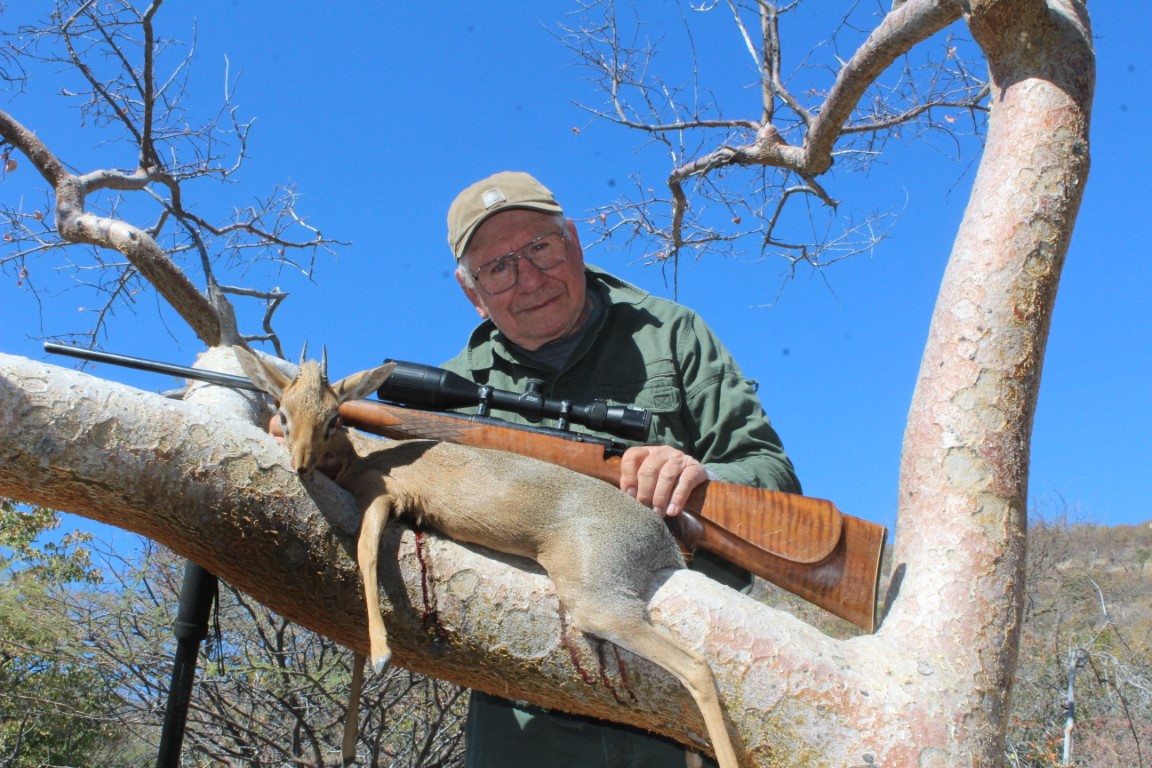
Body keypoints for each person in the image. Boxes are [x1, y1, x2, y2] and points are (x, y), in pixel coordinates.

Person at [441, 171, 801, 768]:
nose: (528, 278)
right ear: (471, 293)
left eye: (539, 247)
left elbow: (772, 474)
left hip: (681, 683)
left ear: (574, 241)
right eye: (498, 267)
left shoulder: (673, 332)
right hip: (525, 718)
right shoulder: (449, 394)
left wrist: (696, 483)